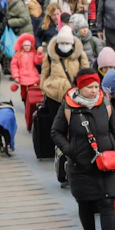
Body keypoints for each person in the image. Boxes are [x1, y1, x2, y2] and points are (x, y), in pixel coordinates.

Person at [52, 68, 115, 230]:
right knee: (85, 204)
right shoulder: (68, 106)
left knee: (107, 203)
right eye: (90, 87)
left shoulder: (105, 103)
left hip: (106, 163)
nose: (95, 90)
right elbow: (56, 132)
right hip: (80, 164)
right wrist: (71, 150)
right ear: (80, 88)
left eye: (97, 86)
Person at [35, 27, 90, 166]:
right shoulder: (50, 55)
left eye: (67, 43)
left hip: (74, 96)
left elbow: (86, 75)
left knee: (74, 125)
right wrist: (44, 88)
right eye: (62, 43)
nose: (64, 46)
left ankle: (73, 151)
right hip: (54, 95)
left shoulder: (80, 55)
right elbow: (44, 73)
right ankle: (59, 151)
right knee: (57, 126)